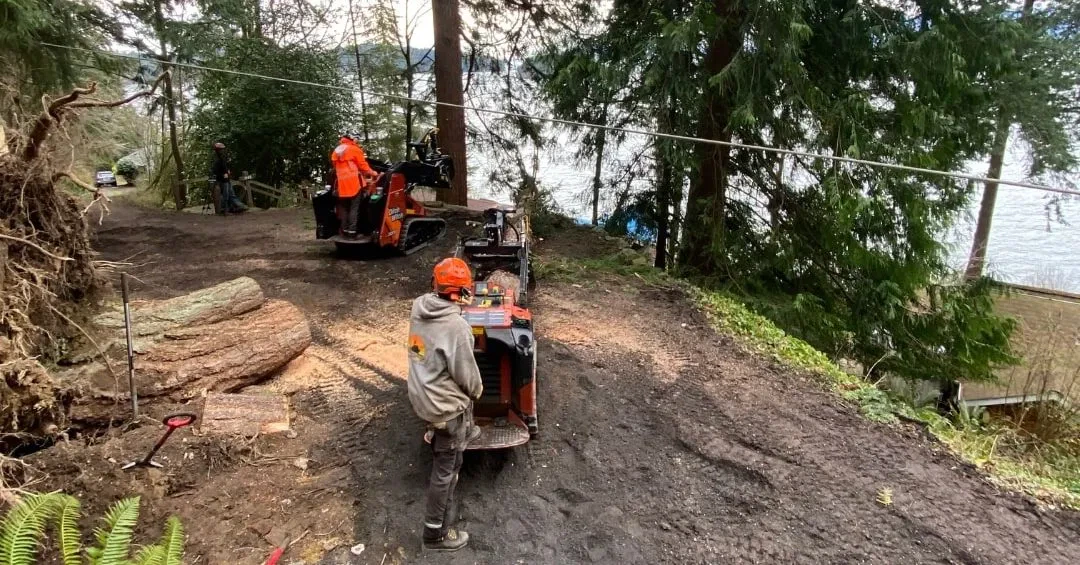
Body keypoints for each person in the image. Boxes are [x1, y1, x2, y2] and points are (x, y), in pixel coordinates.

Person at [407, 257, 483, 552]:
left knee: (454, 402)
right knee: (446, 471)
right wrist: (478, 391)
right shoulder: (456, 327)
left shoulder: (418, 307)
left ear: (434, 284)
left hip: (421, 395)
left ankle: (454, 430)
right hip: (443, 409)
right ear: (462, 292)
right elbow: (467, 377)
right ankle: (435, 534)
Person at [330, 132, 377, 237]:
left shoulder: (337, 150)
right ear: (352, 138)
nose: (357, 141)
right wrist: (373, 173)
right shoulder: (354, 149)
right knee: (354, 208)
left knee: (344, 208)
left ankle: (345, 230)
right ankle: (352, 232)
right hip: (353, 183)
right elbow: (363, 166)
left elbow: (335, 165)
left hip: (342, 184)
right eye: (357, 138)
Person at [211, 142, 247, 214]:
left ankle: (236, 207)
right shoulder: (217, 160)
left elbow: (225, 168)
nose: (223, 151)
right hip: (222, 181)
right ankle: (225, 209)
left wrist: (228, 172)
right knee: (226, 196)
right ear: (217, 151)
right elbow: (215, 172)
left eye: (223, 149)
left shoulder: (223, 159)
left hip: (226, 180)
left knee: (231, 195)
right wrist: (223, 175)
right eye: (221, 149)